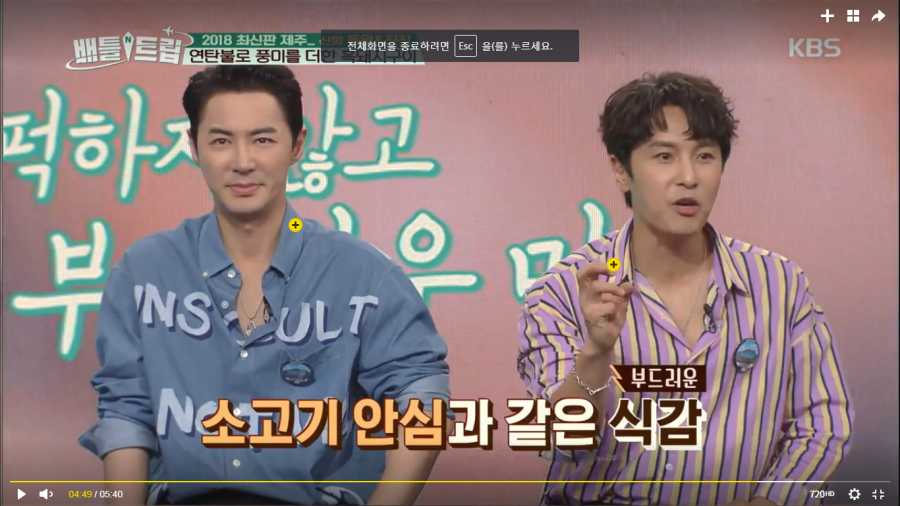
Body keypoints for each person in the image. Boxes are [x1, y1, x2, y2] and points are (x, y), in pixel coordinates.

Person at [79, 65, 452, 506]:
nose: (242, 162)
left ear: (297, 145)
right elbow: (126, 412)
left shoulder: (363, 273)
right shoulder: (143, 270)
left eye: (262, 140)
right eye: (221, 141)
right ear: (193, 146)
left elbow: (422, 397)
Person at [516, 72, 853, 505]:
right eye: (664, 156)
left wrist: (770, 501)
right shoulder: (561, 291)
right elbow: (564, 438)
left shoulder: (780, 283)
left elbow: (823, 422)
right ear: (620, 170)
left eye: (705, 156)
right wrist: (596, 353)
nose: (689, 177)